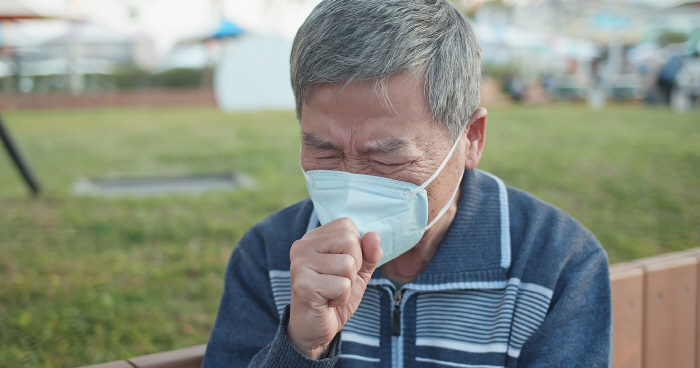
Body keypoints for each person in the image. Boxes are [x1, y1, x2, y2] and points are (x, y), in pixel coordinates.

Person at [203, 0, 612, 367]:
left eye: (386, 157)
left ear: (471, 138)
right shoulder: (270, 257)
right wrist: (299, 347)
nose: (351, 183)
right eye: (325, 153)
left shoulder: (555, 266)